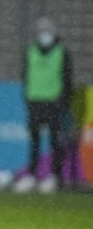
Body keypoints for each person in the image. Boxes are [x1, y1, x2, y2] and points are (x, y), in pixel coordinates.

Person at [14, 17, 72, 194]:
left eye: (47, 31)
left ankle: (54, 176)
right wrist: (27, 97)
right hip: (35, 101)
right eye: (41, 32)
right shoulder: (31, 51)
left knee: (55, 141)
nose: (44, 35)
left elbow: (67, 78)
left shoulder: (62, 52)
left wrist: (63, 100)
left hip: (54, 102)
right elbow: (26, 75)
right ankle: (31, 175)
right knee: (34, 141)